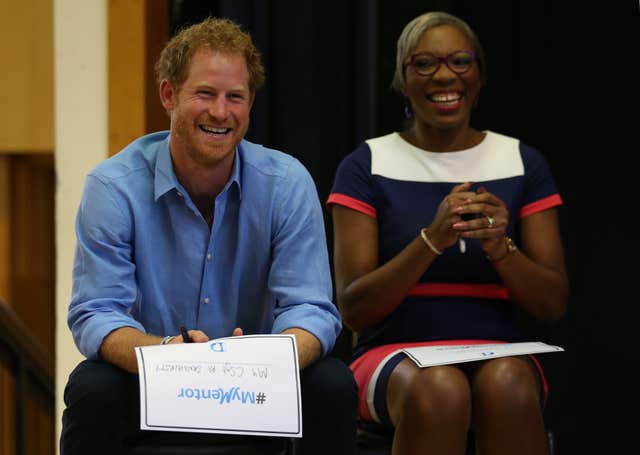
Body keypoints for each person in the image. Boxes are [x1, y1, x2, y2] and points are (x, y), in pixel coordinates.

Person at [61, 17, 357, 455]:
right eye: (205, 93)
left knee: (332, 383)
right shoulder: (113, 187)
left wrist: (262, 360)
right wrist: (169, 355)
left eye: (235, 97)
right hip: (154, 375)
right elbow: (98, 314)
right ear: (168, 95)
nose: (221, 112)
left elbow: (310, 309)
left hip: (257, 386)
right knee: (92, 388)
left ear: (250, 103)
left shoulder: (287, 182)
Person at [327, 11, 569, 455]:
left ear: (479, 75)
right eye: (424, 64)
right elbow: (354, 310)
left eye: (460, 61)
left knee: (508, 382)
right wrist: (431, 240)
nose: (444, 76)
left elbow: (552, 304)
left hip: (500, 352)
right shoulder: (366, 165)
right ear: (403, 77)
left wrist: (501, 248)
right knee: (439, 388)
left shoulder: (522, 162)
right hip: (392, 353)